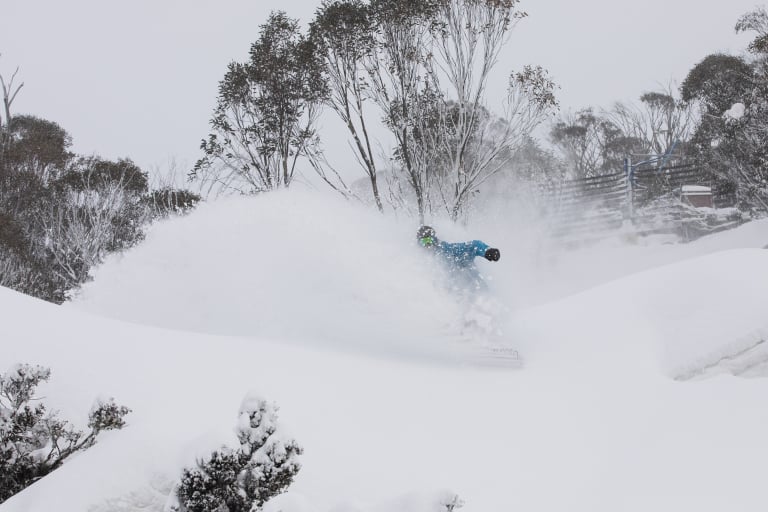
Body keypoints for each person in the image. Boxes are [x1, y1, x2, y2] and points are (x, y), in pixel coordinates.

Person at [417, 225, 500, 291]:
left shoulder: (447, 250)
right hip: (452, 303)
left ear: (434, 239)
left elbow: (473, 246)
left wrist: (487, 251)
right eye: (423, 242)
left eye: (429, 240)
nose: (427, 245)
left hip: (476, 294)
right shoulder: (420, 265)